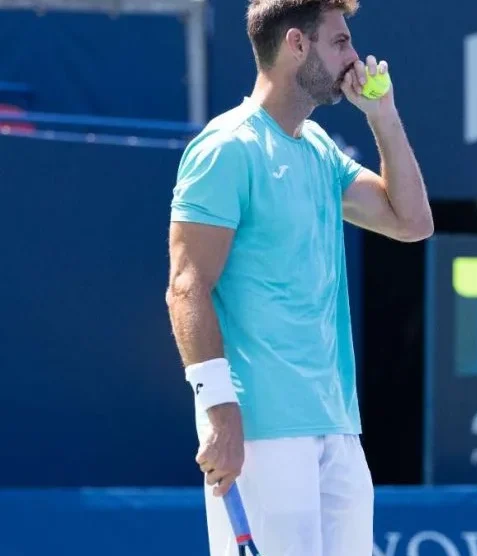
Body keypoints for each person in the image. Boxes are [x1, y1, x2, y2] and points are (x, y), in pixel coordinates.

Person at [165, 0, 433, 554]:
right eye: (339, 42)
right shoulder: (225, 148)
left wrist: (382, 117)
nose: (355, 58)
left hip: (336, 423)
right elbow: (187, 286)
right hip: (258, 427)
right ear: (296, 44)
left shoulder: (319, 150)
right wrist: (219, 411)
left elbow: (413, 223)